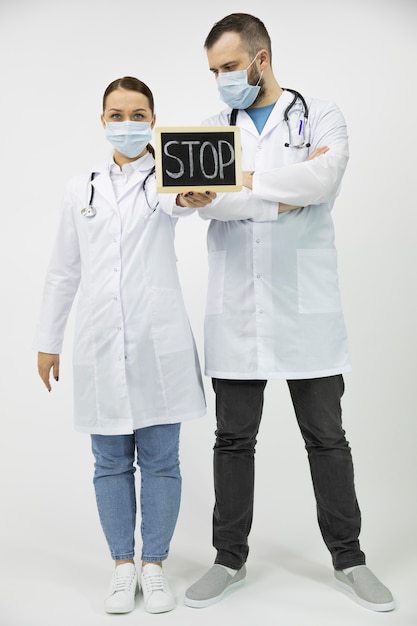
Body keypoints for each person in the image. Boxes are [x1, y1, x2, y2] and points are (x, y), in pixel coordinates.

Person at [182, 13, 396, 613]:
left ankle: (349, 559)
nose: (221, 80)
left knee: (327, 437)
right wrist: (280, 198)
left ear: (261, 58)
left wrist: (243, 184)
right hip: (237, 311)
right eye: (213, 71)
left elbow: (324, 178)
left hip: (307, 310)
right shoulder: (207, 128)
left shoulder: (320, 114)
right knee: (232, 440)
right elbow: (208, 209)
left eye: (228, 67)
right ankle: (229, 559)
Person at [35, 76, 215, 615]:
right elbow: (63, 270)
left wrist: (189, 194)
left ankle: (154, 565)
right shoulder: (80, 187)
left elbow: (180, 202)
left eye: (139, 114)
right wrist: (48, 341)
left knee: (161, 459)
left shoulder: (165, 176)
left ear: (153, 120)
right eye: (117, 114)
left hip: (156, 341)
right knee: (109, 461)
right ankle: (122, 566)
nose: (128, 123)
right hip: (97, 340)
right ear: (102, 120)